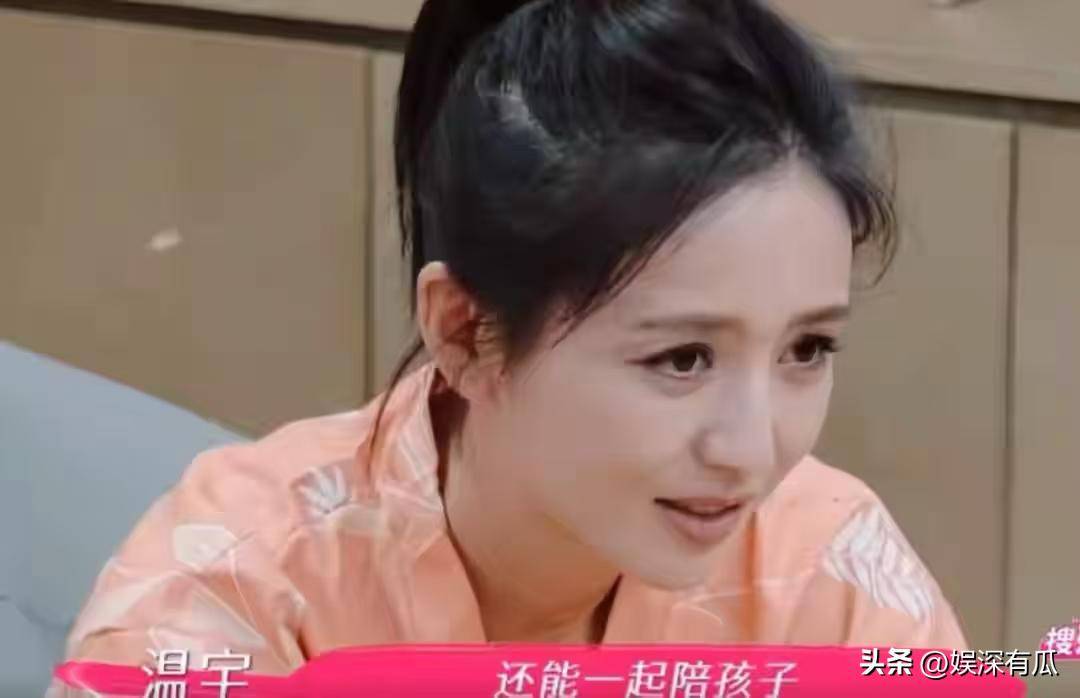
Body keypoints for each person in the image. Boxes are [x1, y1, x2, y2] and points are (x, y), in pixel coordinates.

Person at [57, 0, 967, 687]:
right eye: (682, 359)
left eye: (807, 350)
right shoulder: (239, 590)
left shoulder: (828, 569)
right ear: (465, 330)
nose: (752, 450)